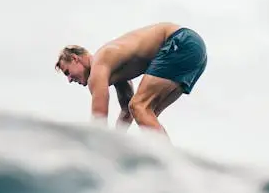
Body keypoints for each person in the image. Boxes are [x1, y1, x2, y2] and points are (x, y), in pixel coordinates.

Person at [54, 22, 207, 136]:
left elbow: (98, 123)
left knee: (140, 106)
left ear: (75, 59)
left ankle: (168, 164)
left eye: (67, 72)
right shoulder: (113, 69)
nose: (69, 79)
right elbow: (127, 111)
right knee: (147, 113)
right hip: (195, 50)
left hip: (179, 42)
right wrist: (118, 143)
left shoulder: (98, 66)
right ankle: (169, 165)